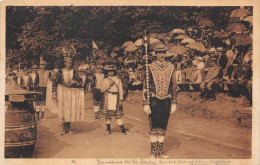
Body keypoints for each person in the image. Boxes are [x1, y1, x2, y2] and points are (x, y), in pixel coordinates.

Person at [143, 44, 177, 159]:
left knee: (163, 125)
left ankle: (160, 151)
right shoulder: (149, 67)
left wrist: (174, 102)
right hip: (153, 99)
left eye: (163, 52)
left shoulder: (171, 67)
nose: (162, 55)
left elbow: (173, 86)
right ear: (155, 54)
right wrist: (145, 102)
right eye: (159, 53)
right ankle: (153, 151)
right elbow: (145, 86)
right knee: (154, 125)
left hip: (166, 99)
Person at [51, 55, 84, 136]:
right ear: (64, 63)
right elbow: (54, 82)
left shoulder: (74, 71)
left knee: (70, 109)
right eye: (68, 63)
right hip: (62, 91)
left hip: (71, 92)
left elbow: (80, 80)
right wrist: (54, 93)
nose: (69, 64)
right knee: (63, 108)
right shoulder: (60, 71)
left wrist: (75, 82)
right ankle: (63, 128)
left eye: (71, 63)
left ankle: (68, 128)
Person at [99, 57, 128, 135]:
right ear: (106, 72)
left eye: (112, 71)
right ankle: (108, 129)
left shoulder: (118, 80)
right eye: (109, 71)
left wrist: (120, 100)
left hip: (116, 97)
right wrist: (108, 85)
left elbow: (121, 90)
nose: (110, 73)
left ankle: (122, 128)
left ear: (114, 71)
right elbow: (101, 90)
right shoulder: (105, 80)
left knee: (117, 114)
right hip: (107, 97)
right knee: (108, 115)